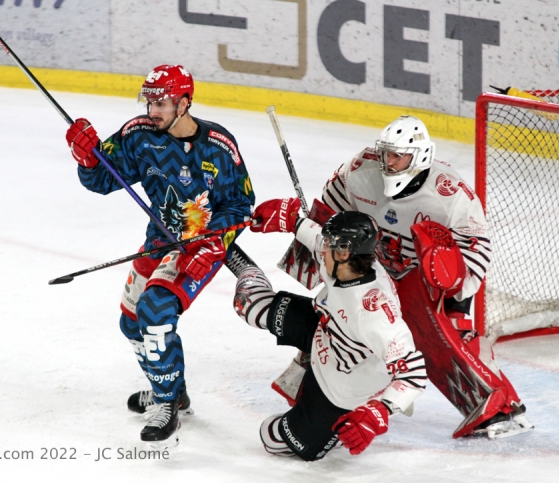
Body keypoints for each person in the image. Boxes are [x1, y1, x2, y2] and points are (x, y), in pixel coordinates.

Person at [64, 64, 255, 446]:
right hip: (159, 241)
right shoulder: (139, 135)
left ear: (185, 103)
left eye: (162, 103)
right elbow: (103, 180)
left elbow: (241, 204)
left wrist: (216, 245)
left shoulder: (219, 146)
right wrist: (86, 157)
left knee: (155, 311)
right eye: (149, 101)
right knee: (131, 323)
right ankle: (175, 389)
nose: (153, 111)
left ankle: (167, 405)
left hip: (201, 245)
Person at [313, 115, 532, 438]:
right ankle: (316, 380)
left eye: (398, 156)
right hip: (375, 268)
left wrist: (452, 286)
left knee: (440, 340)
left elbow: (477, 249)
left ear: (420, 157)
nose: (388, 162)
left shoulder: (449, 193)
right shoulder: (361, 169)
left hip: (427, 278)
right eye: (386, 153)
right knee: (341, 315)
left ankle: (497, 408)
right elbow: (328, 212)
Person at [233, 209, 427, 461]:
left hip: (340, 391)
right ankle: (233, 257)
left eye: (328, 245)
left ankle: (325, 425)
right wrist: (291, 219)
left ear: (345, 253)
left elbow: (414, 373)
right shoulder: (345, 262)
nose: (321, 250)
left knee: (271, 437)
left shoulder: (374, 313)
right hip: (322, 330)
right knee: (248, 304)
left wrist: (379, 410)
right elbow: (316, 238)